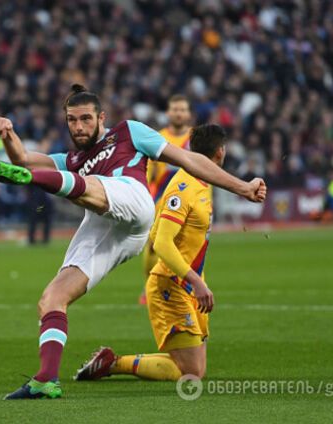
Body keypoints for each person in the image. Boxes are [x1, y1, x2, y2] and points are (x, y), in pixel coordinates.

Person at [0, 84, 266, 399]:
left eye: (86, 119)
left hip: (133, 201)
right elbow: (24, 158)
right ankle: (46, 380)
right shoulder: (70, 159)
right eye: (72, 120)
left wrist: (242, 188)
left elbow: (188, 159)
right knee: (52, 298)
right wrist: (7, 134)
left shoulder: (129, 132)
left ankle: (34, 182)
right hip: (103, 224)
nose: (79, 127)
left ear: (101, 118)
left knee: (89, 185)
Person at [74, 124, 225, 383]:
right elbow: (161, 241)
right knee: (191, 373)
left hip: (188, 286)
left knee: (194, 368)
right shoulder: (184, 187)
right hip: (172, 285)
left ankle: (110, 362)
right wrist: (195, 280)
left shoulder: (203, 184)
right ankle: (111, 363)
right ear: (221, 152)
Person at [140, 94, 193, 304]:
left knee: (188, 246)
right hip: (160, 201)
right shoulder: (157, 137)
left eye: (182, 109)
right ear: (168, 113)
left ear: (188, 114)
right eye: (175, 109)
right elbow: (148, 170)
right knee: (153, 246)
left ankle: (182, 289)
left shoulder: (194, 139)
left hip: (190, 202)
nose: (179, 113)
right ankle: (149, 288)